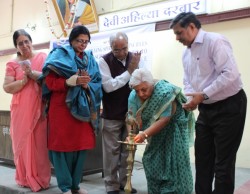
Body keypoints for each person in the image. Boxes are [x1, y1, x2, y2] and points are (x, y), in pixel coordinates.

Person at [170, 12, 247, 194]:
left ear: (191, 27)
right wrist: (191, 100)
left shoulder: (215, 41)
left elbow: (230, 73)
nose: (177, 38)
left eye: (179, 33)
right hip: (206, 109)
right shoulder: (185, 54)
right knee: (203, 159)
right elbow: (188, 81)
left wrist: (203, 95)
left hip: (230, 106)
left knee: (223, 163)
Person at [41, 25, 102, 194]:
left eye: (85, 41)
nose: (83, 44)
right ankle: (65, 186)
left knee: (80, 147)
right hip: (62, 108)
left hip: (83, 109)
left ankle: (76, 185)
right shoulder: (58, 55)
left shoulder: (90, 59)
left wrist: (87, 83)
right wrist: (69, 82)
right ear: (71, 40)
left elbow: (97, 81)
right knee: (61, 147)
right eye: (79, 41)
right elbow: (49, 83)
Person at [127, 68, 194, 194]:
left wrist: (144, 133)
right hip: (154, 134)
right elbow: (130, 118)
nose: (140, 94)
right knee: (150, 161)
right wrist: (131, 134)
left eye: (144, 89)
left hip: (172, 132)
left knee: (173, 166)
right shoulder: (133, 95)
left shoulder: (165, 92)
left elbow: (165, 119)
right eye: (137, 90)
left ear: (152, 84)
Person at [2, 29, 51, 192]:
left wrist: (32, 74)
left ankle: (41, 179)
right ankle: (24, 177)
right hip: (20, 110)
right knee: (22, 143)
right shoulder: (12, 63)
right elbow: (7, 87)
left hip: (39, 108)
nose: (24, 45)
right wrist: (23, 80)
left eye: (26, 41)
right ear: (16, 46)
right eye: (20, 43)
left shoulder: (42, 57)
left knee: (39, 144)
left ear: (31, 41)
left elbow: (49, 80)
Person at [98, 32, 141, 194]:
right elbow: (109, 86)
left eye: (124, 48)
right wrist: (130, 72)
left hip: (131, 114)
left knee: (128, 151)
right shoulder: (104, 61)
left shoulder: (134, 58)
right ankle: (111, 185)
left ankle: (125, 182)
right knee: (111, 153)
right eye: (117, 50)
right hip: (111, 114)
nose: (122, 53)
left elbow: (140, 82)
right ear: (111, 48)